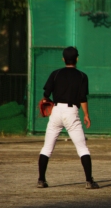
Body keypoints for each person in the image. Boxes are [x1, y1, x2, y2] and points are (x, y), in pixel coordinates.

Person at [37, 47, 98, 189]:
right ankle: (89, 181)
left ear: (63, 59)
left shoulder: (56, 74)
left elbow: (46, 94)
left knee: (47, 148)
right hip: (72, 112)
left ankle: (41, 180)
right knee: (82, 148)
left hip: (56, 111)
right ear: (77, 59)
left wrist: (47, 100)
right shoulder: (82, 76)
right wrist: (86, 115)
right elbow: (83, 98)